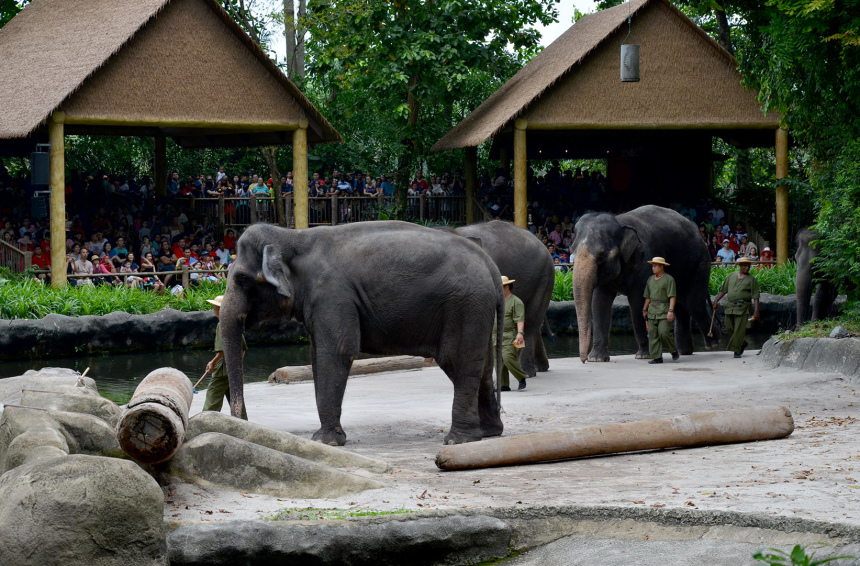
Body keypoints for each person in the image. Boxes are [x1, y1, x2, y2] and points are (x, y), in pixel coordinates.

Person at [202, 295, 248, 419]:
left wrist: (212, 362)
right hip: (232, 369)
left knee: (213, 396)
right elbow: (243, 348)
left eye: (215, 307)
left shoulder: (222, 325)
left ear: (220, 310)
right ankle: (243, 423)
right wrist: (238, 364)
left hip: (222, 369)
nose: (213, 309)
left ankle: (206, 422)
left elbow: (222, 350)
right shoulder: (234, 324)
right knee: (235, 397)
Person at [713, 256, 760, 358]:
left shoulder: (752, 280)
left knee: (739, 329)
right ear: (740, 266)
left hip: (743, 307)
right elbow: (723, 290)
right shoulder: (731, 276)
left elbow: (756, 296)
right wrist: (716, 301)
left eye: (748, 266)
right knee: (729, 328)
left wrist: (756, 311)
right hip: (730, 306)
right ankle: (742, 343)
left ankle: (736, 350)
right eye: (744, 266)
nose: (747, 268)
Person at [642, 257, 679, 364]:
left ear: (661, 266)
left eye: (655, 266)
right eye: (652, 266)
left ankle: (673, 349)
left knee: (664, 332)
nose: (653, 268)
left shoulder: (669, 279)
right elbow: (648, 297)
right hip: (652, 310)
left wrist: (671, 310)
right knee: (652, 334)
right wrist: (644, 309)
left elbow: (672, 296)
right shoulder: (650, 280)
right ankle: (657, 357)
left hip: (664, 309)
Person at [496, 275, 528, 391]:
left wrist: (520, 333)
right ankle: (503, 384)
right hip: (495, 336)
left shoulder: (516, 302)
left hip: (509, 334)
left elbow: (520, 318)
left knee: (508, 357)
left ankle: (521, 377)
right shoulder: (497, 301)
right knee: (498, 361)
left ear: (507, 287)